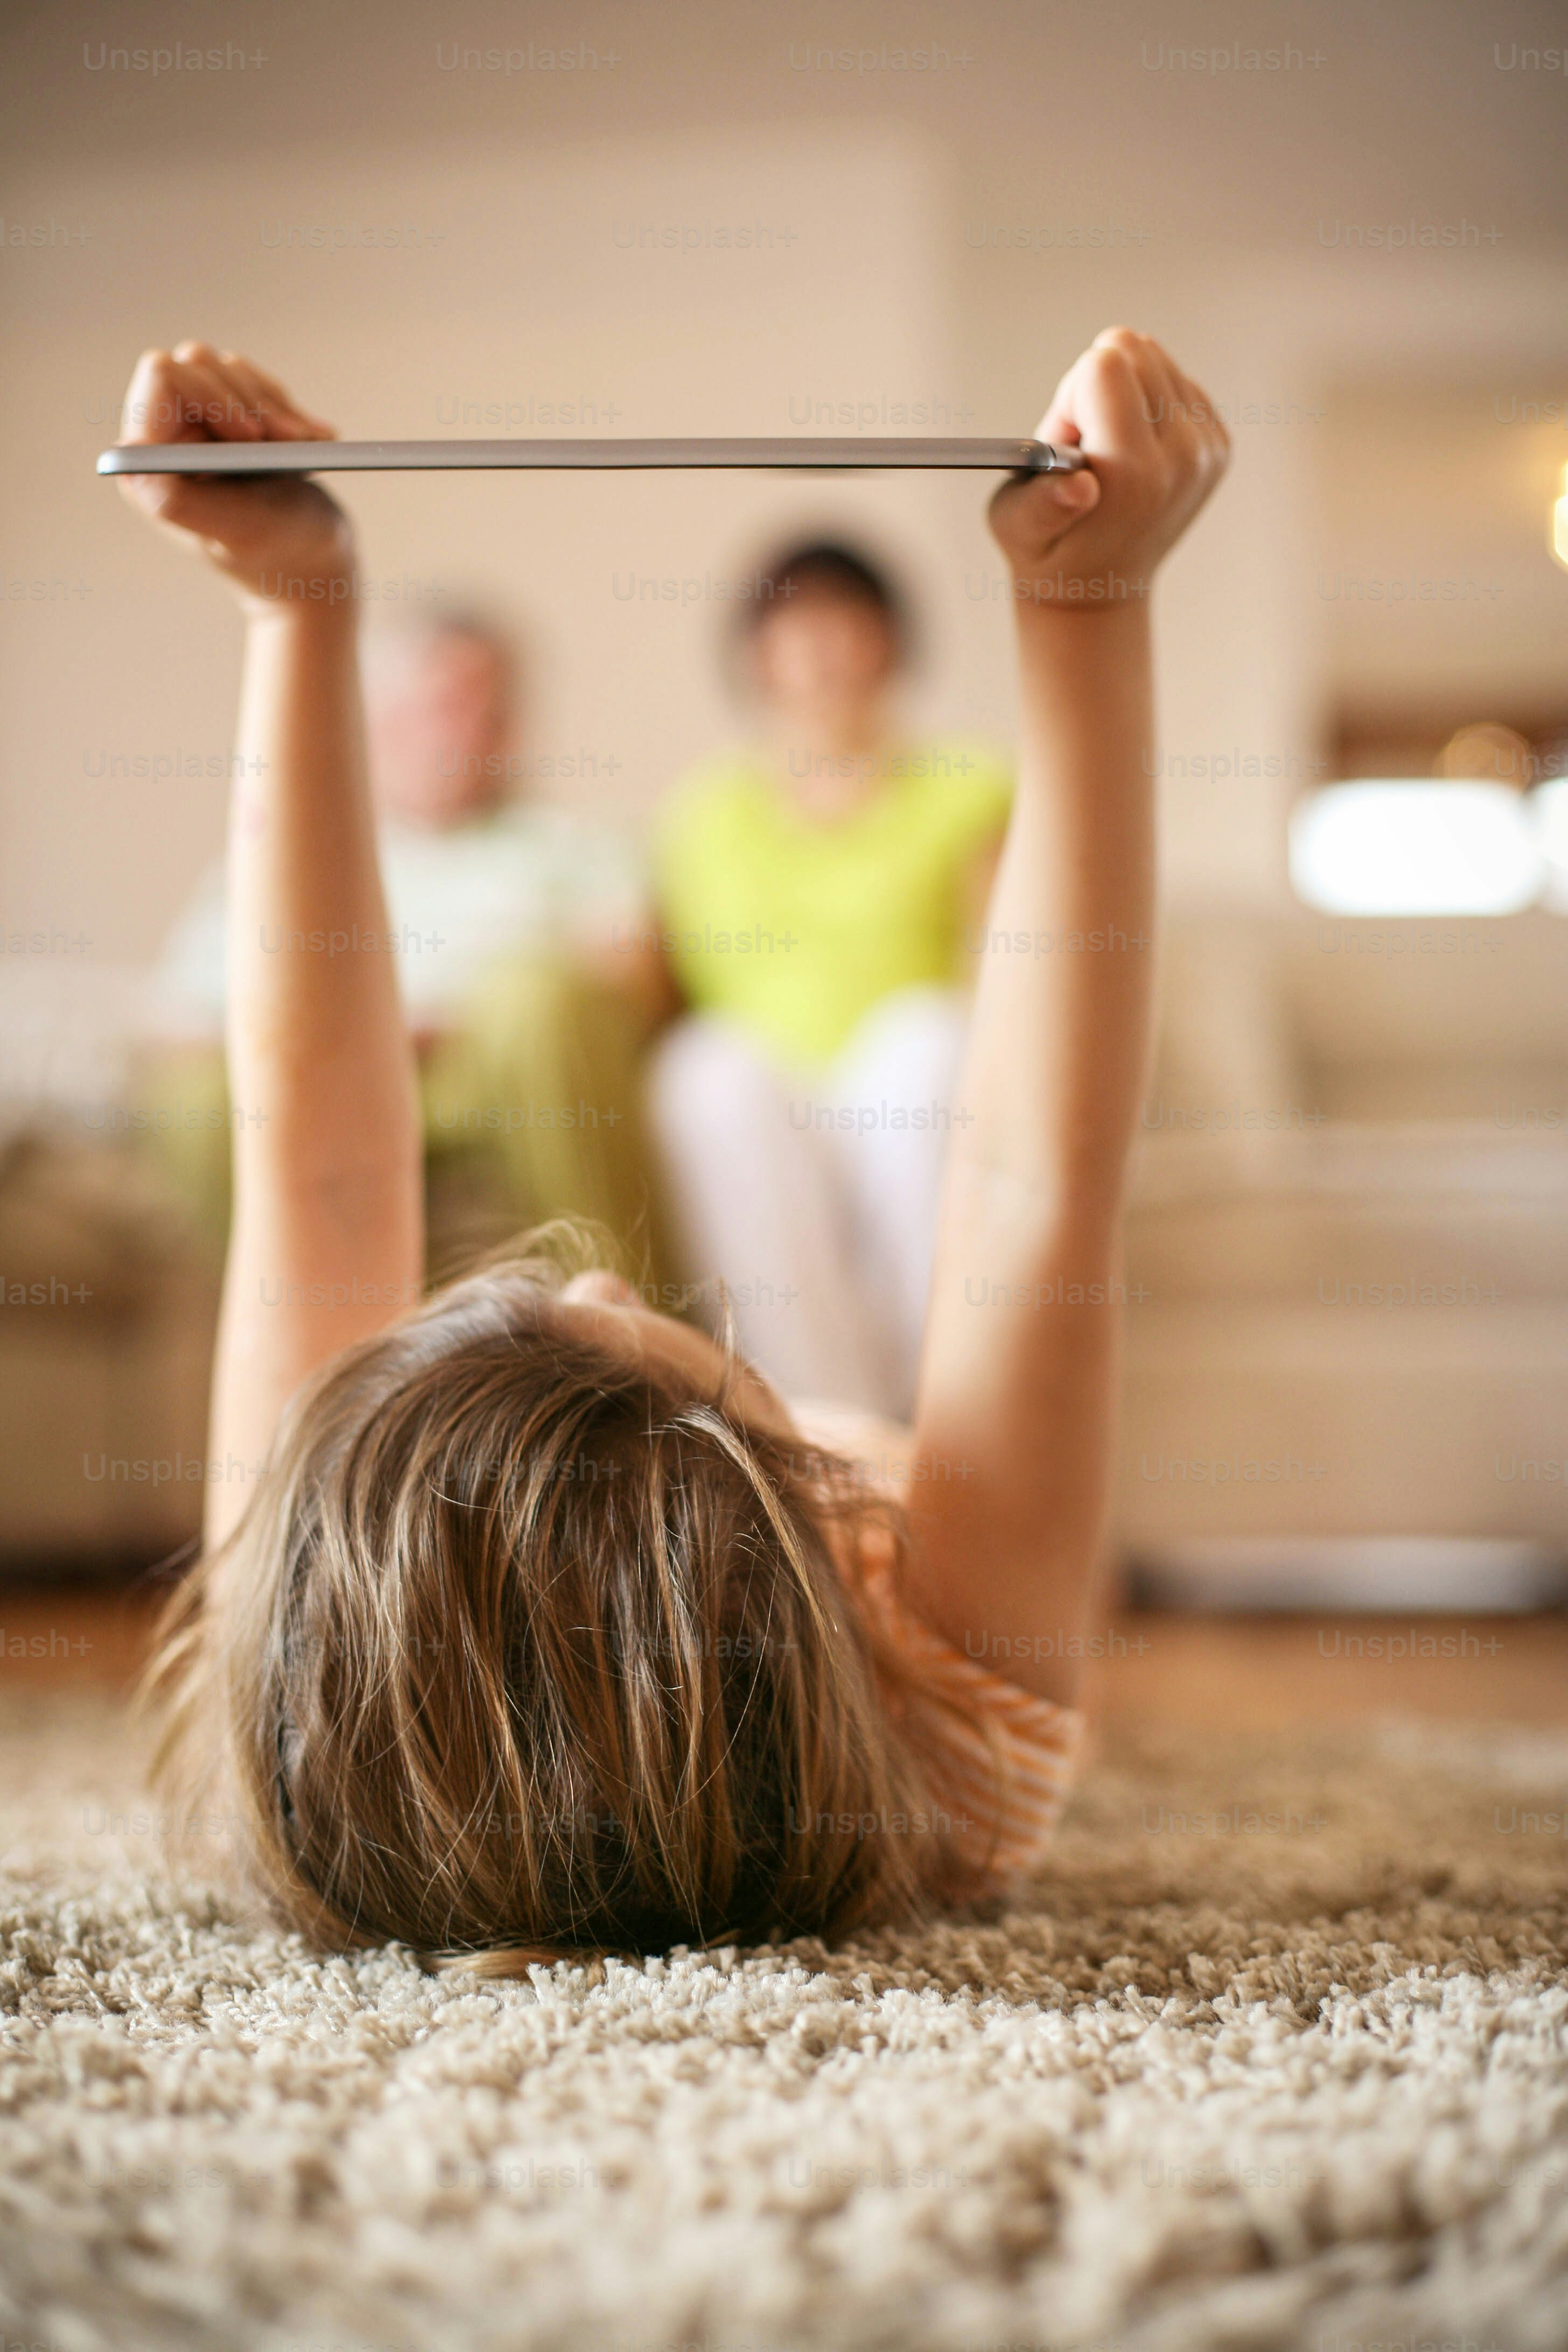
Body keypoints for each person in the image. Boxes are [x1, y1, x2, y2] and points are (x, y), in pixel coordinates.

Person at [126, 331, 1227, 1966]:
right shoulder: (944, 1709)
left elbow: (315, 1163)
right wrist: (1088, 605)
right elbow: (1029, 1175)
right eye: (631, 1332)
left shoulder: (313, 1665)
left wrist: (294, 603)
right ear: (792, 1530)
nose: (593, 1275)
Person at [144, 604, 673, 1280]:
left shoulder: (572, 845)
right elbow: (172, 1021)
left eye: (491, 708)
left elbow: (637, 972)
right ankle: (300, 1323)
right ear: (375, 719)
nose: (469, 728)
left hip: (488, 1073)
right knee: (196, 1093)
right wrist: (345, 1042)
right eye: (443, 705)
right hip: (318, 1091)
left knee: (533, 999)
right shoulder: (282, 864)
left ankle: (617, 1313)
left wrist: (453, 1024)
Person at [648, 541, 1010, 1418]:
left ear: (890, 644)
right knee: (704, 1072)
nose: (822, 655)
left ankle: (943, 1404)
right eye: (797, 631)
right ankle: (822, 1425)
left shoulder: (969, 786)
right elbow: (667, 989)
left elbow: (1006, 969)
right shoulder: (702, 813)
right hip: (770, 1099)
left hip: (906, 1086)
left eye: (846, 627)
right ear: (756, 658)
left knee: (925, 1044)